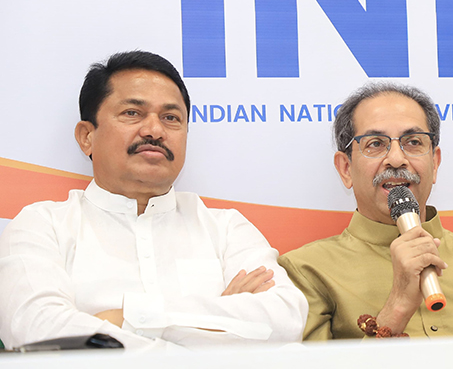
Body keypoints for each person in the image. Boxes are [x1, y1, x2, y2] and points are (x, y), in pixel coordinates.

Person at [0, 51, 307, 350]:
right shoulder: (42, 226)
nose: (155, 130)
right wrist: (215, 322)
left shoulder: (226, 228)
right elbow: (38, 331)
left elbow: (285, 319)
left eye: (170, 118)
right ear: (86, 137)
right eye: (132, 113)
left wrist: (124, 318)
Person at [278, 82, 453, 340]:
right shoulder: (305, 271)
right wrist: (396, 307)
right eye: (375, 144)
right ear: (346, 169)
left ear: (435, 162)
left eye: (413, 142)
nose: (397, 159)